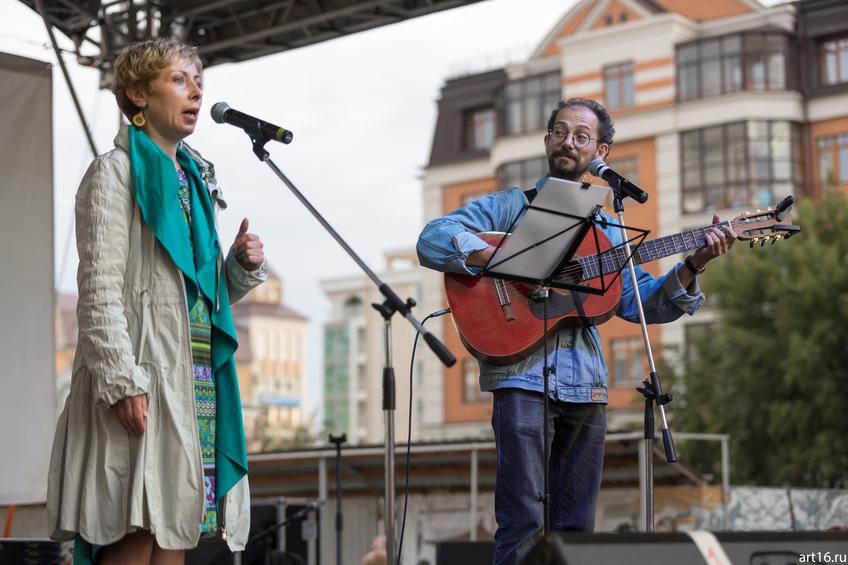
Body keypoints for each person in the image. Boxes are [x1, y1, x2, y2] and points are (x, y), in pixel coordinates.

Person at [416, 98, 736, 564]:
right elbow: (433, 236)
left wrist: (695, 261)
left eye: (581, 136)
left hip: (586, 385)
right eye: (560, 132)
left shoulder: (609, 227)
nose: (569, 142)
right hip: (520, 376)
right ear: (547, 141)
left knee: (576, 529)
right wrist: (501, 260)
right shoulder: (512, 205)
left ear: (601, 150)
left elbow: (642, 303)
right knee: (522, 520)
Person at [46, 38, 268, 565]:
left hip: (193, 380)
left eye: (199, 82)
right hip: (143, 373)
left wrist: (238, 267)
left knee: (176, 530)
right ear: (138, 94)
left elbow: (197, 297)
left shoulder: (193, 181)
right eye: (179, 80)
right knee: (135, 527)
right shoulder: (114, 174)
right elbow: (99, 290)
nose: (195, 92)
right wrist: (122, 381)